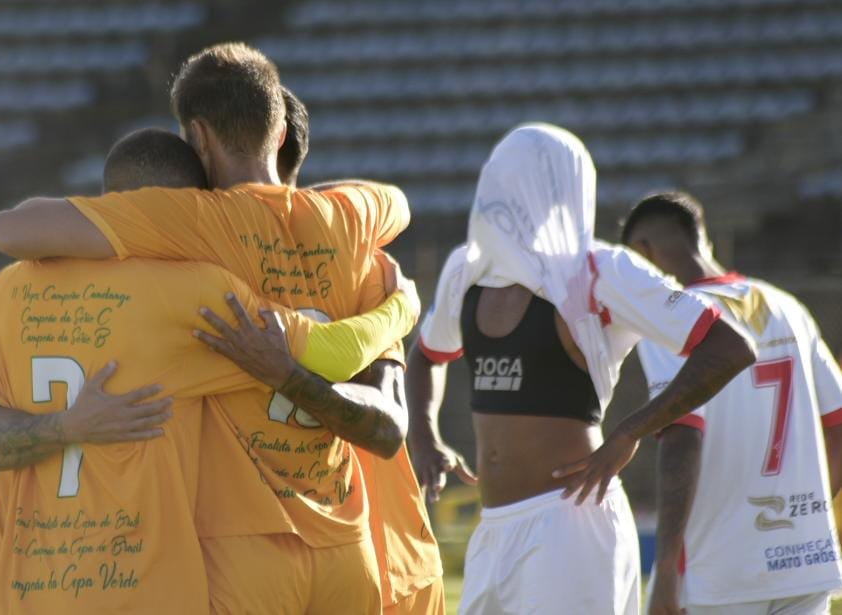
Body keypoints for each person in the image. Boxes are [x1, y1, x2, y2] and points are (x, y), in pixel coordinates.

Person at [0, 42, 412, 612]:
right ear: (281, 132)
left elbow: (10, 230)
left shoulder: (193, 223)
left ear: (199, 139)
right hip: (347, 546)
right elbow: (399, 205)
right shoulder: (355, 218)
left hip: (246, 548)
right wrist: (400, 310)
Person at [406, 123, 756, 613]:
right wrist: (423, 434)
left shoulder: (601, 270)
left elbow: (731, 347)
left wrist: (631, 430)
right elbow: (425, 354)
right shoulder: (466, 269)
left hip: (570, 528)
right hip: (493, 529)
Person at [622, 191, 842, 615]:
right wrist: (802, 511)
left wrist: (665, 569)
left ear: (642, 253)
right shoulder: (786, 304)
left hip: (720, 572)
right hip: (802, 562)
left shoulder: (674, 317)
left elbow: (682, 438)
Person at [275, 83, 446, 614]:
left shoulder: (209, 271)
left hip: (365, 552)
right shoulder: (367, 263)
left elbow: (388, 425)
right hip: (350, 555)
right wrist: (398, 310)